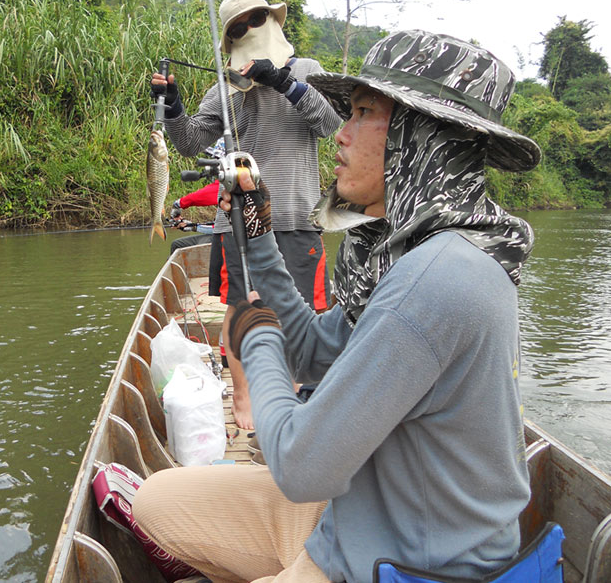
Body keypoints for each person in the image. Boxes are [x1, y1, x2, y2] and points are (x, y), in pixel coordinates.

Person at [134, 30, 543, 583]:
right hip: (359, 512)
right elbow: (316, 351)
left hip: (412, 564)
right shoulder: (414, 248)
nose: (341, 135)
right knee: (155, 502)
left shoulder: (436, 279)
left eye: (363, 113)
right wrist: (255, 230)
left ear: (421, 136)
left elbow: (302, 466)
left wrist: (255, 338)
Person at [151, 0, 342, 429]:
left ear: (271, 20)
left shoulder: (308, 71)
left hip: (295, 215)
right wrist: (175, 107)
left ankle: (298, 398)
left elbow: (330, 124)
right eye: (237, 26)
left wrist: (283, 82)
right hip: (237, 218)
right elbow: (189, 141)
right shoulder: (226, 87)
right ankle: (243, 400)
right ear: (230, 39)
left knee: (303, 310)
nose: (249, 29)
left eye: (256, 19)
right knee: (242, 307)